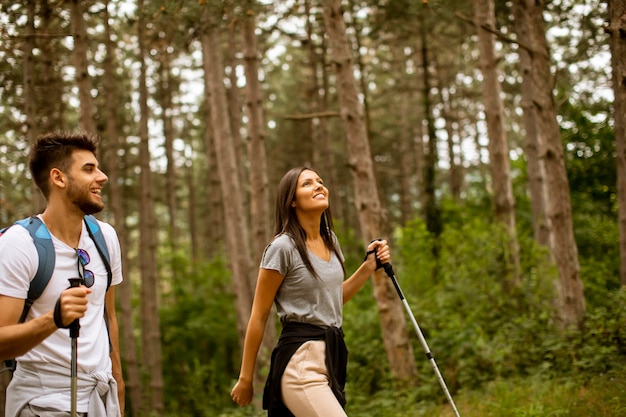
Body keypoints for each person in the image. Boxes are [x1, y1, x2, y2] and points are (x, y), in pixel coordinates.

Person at [231, 167, 391, 417]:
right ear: (292, 201)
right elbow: (259, 315)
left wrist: (369, 266)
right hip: (301, 364)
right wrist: (245, 378)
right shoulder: (282, 248)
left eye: (320, 181)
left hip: (329, 361)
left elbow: (332, 300)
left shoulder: (331, 241)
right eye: (307, 184)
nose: (318, 186)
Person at [0, 131, 125, 417]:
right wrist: (53, 319)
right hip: (41, 404)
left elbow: (109, 317)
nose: (102, 177)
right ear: (59, 178)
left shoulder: (104, 237)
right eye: (89, 169)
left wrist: (118, 386)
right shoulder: (20, 244)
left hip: (101, 401)